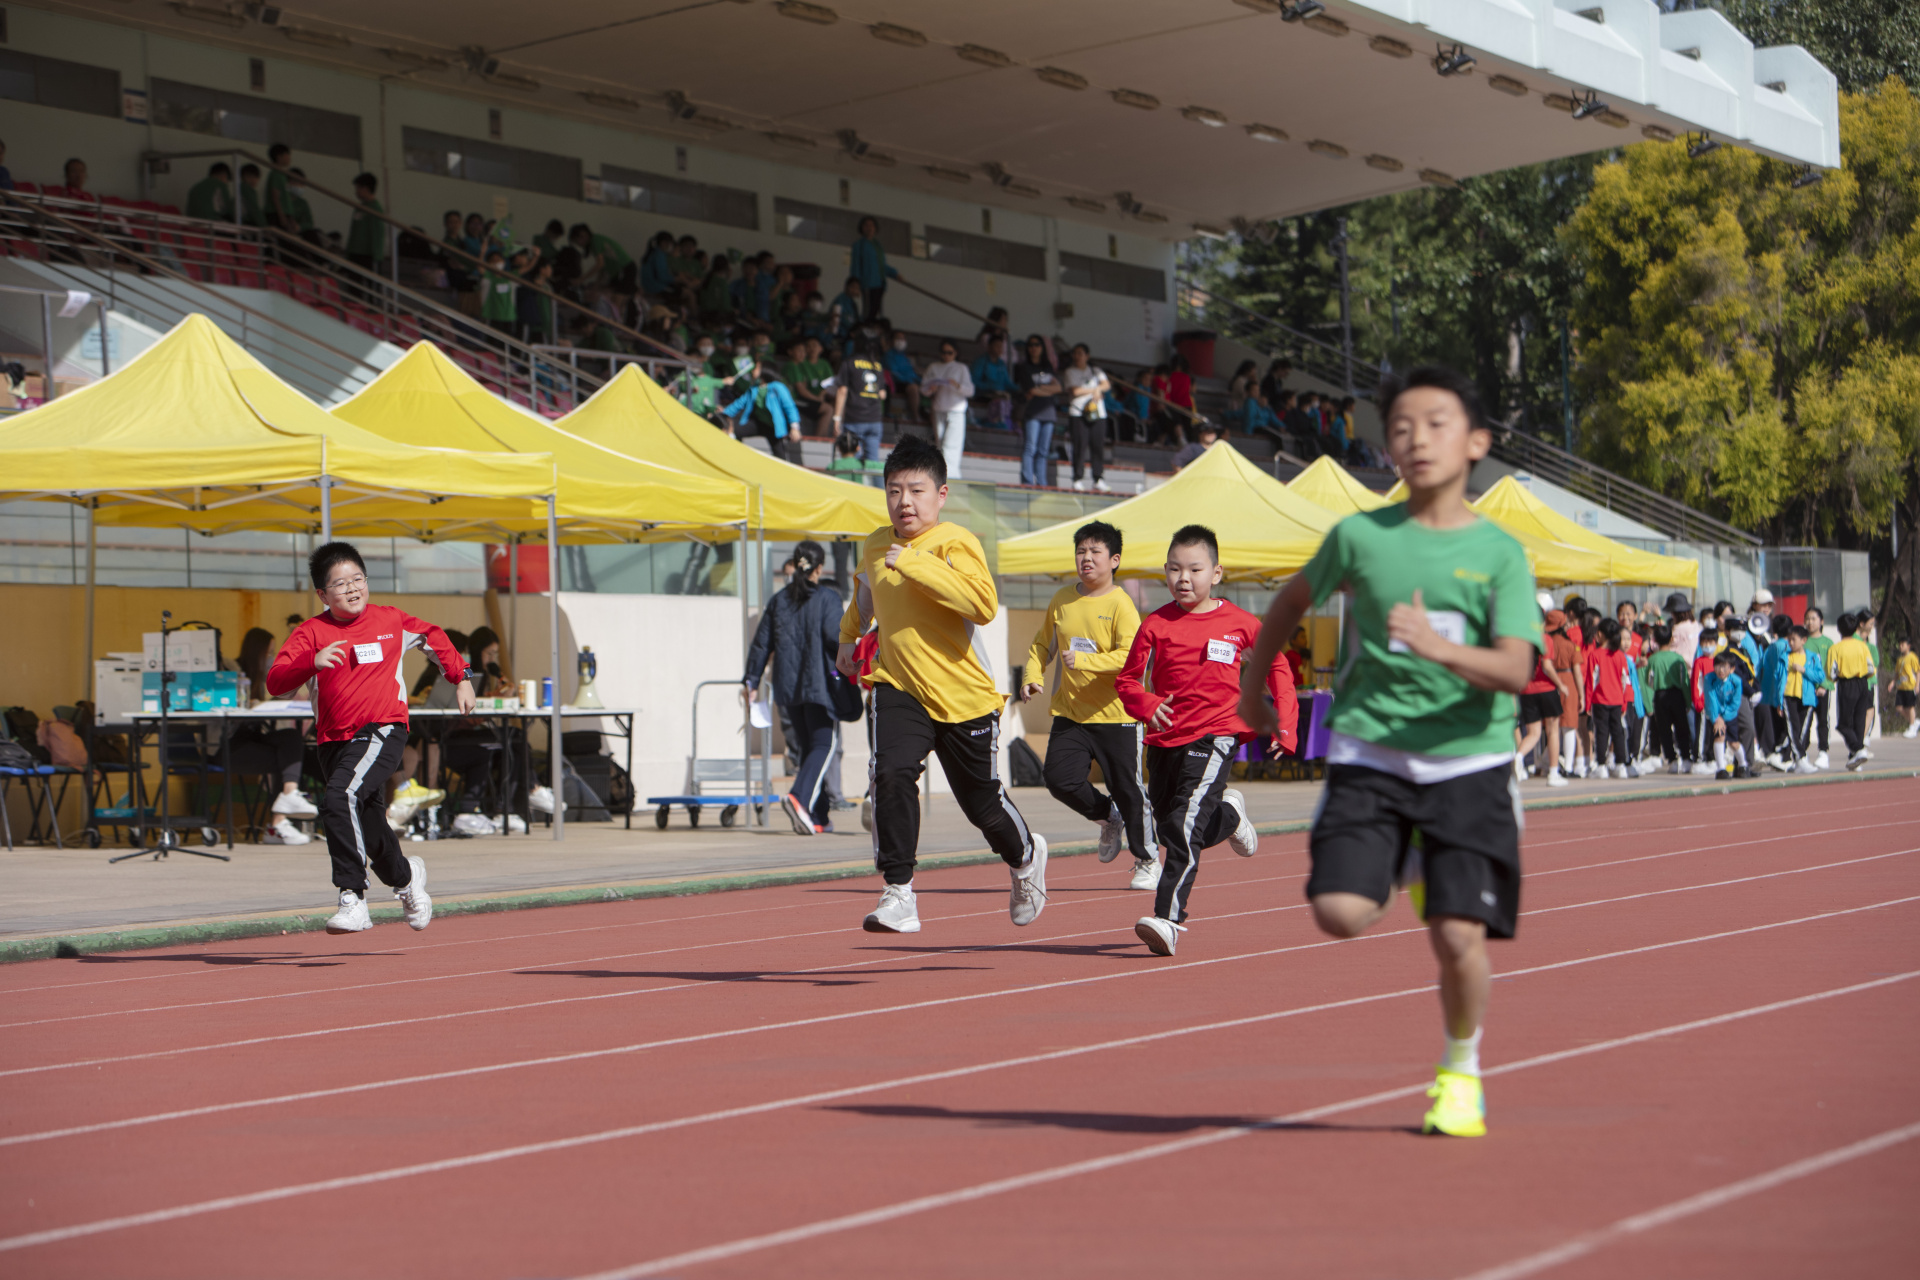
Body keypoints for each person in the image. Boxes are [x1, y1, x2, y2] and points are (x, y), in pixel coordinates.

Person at [1237, 364, 1542, 1139]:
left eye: (1436, 424)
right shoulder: (1359, 537)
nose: (1416, 439)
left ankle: (1460, 1069)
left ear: (1476, 442)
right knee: (1339, 913)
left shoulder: (1500, 554)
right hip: (1371, 756)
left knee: (1459, 939)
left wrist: (1438, 647)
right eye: (1401, 427)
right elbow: (1291, 601)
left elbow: (1515, 668)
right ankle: (1407, 860)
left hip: (1467, 764)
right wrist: (1252, 685)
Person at [835, 435, 1047, 934]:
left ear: (941, 494)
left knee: (982, 805)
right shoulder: (875, 544)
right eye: (894, 491)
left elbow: (982, 604)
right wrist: (848, 636)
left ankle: (1025, 858)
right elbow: (865, 597)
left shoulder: (956, 542)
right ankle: (899, 892)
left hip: (963, 697)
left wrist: (914, 563)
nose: (904, 502)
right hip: (898, 684)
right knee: (890, 773)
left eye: (916, 490)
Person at [265, 542, 470, 934]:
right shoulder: (311, 633)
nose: (352, 589)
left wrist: (461, 677)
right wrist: (312, 662)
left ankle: (352, 896)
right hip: (333, 741)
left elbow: (432, 636)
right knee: (368, 823)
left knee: (339, 797)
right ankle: (407, 878)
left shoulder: (390, 619)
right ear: (323, 594)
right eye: (340, 584)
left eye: (358, 579)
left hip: (383, 728)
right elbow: (276, 683)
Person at [1117, 525, 1294, 955]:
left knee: (1183, 823)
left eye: (1194, 569)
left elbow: (1278, 667)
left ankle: (1168, 918)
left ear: (1216, 573)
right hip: (1164, 740)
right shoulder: (1155, 624)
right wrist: (1147, 705)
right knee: (1169, 826)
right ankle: (1229, 818)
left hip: (1216, 734)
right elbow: (1127, 681)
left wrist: (1285, 724)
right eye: (1175, 569)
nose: (1184, 578)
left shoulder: (1241, 624)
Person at [1021, 522, 1156, 889]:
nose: (1086, 558)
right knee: (1059, 780)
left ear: (1114, 560)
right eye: (1081, 551)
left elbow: (1133, 656)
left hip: (1117, 715)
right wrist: (1032, 674)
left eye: (1095, 552)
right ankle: (1108, 816)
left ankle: (1147, 859)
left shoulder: (1121, 604)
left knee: (1128, 789)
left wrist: (1085, 661)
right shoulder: (1062, 599)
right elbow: (1041, 645)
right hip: (1071, 713)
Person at [745, 541, 848, 835]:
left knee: (807, 749)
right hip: (819, 686)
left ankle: (819, 816)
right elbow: (836, 637)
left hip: (787, 688)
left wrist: (751, 680)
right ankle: (799, 798)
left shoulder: (779, 600)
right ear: (819, 568)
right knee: (824, 745)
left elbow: (761, 643)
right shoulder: (827, 598)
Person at [230, 626, 317, 842]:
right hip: (231, 743)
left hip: (253, 737)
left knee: (291, 738)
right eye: (268, 652)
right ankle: (277, 825)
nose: (271, 657)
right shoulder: (234, 671)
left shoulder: (261, 677)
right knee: (286, 759)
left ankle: (287, 799)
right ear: (256, 651)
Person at [1514, 620, 1567, 786]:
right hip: (1547, 689)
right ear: (1542, 622)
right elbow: (1547, 666)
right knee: (1553, 731)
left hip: (1527, 690)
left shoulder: (1523, 638)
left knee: (1533, 733)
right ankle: (1553, 773)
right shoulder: (1545, 639)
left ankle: (1518, 757)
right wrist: (1561, 685)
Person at [830, 330, 888, 463]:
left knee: (852, 462)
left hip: (854, 419)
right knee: (873, 462)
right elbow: (882, 394)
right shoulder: (877, 366)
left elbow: (842, 391)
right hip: (874, 419)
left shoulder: (849, 363)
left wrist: (837, 418)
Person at [920, 339, 974, 481]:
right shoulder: (933, 367)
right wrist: (931, 389)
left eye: (950, 353)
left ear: (956, 353)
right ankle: (942, 476)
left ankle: (952, 477)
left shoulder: (961, 368)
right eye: (944, 352)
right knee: (940, 445)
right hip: (939, 409)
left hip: (956, 410)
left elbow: (970, 390)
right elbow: (924, 389)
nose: (946, 355)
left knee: (951, 446)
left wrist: (957, 385)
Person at [1061, 343, 1112, 492]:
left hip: (1097, 413)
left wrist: (1098, 389)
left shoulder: (1095, 370)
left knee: (1097, 446)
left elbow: (1106, 384)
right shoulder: (1070, 372)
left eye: (1080, 353)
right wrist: (1095, 390)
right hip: (1078, 413)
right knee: (1079, 446)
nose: (1077, 356)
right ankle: (1077, 478)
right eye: (1075, 353)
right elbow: (1075, 391)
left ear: (1087, 356)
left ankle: (1098, 478)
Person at [1013, 334, 1061, 487]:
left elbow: (1058, 388)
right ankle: (1027, 481)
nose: (1034, 348)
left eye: (1037, 345)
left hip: (1048, 412)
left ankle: (1041, 482)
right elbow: (1031, 390)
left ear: (1042, 348)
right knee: (1030, 447)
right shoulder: (1024, 367)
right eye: (1031, 345)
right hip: (1032, 412)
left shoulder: (1048, 367)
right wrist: (1048, 390)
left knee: (1043, 450)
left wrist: (1041, 389)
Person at [1645, 623, 1694, 773]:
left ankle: (1671, 760)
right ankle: (1686, 758)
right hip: (1677, 695)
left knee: (1664, 730)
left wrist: (1649, 702)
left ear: (1655, 640)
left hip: (1660, 696)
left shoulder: (1653, 659)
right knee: (1682, 728)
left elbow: (1649, 681)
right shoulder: (1678, 658)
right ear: (1672, 639)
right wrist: (1688, 701)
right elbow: (1684, 681)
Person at [1830, 613, 1875, 769]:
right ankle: (1854, 758)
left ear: (1839, 629)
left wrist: (1837, 678)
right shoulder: (1862, 646)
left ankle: (1858, 750)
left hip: (1846, 684)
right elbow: (1871, 668)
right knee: (1859, 721)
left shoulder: (1835, 648)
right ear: (1856, 628)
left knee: (1843, 724)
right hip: (1863, 683)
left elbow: (1831, 672)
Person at [1781, 626, 1825, 772]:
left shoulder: (1812, 657)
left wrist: (1804, 670)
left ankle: (1798, 759)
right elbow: (1778, 678)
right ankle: (1800, 758)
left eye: (1794, 640)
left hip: (1807, 698)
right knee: (1792, 728)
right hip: (1789, 696)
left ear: (1803, 640)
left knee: (1803, 730)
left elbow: (1820, 676)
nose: (1791, 643)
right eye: (1789, 640)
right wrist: (1778, 700)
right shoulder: (1784, 657)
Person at [1704, 649, 1752, 778]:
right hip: (1715, 716)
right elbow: (1710, 700)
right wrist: (1716, 718)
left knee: (1733, 743)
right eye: (1717, 666)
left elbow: (1735, 703)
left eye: (1724, 667)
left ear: (1732, 669)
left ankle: (1743, 765)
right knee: (1719, 736)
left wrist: (1724, 717)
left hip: (1730, 716)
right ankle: (1721, 769)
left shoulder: (1736, 681)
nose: (1720, 670)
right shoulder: (1709, 679)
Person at [1802, 606, 1835, 767]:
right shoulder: (1802, 641)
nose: (1810, 622)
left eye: (1813, 619)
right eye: (1807, 619)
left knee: (1822, 720)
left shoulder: (1828, 643)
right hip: (1805, 689)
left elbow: (1831, 668)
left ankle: (1823, 752)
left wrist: (1825, 686)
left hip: (1822, 689)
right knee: (1805, 722)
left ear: (1821, 621)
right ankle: (1802, 752)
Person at [850, 216, 899, 319]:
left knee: (877, 312)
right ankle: (865, 327)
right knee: (868, 312)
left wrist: (895, 274)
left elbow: (882, 266)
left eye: (871, 225)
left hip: (880, 283)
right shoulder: (859, 245)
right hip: (868, 284)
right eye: (866, 225)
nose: (869, 228)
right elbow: (855, 266)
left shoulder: (878, 245)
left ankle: (874, 328)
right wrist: (855, 285)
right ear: (862, 228)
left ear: (875, 228)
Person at [970, 335, 1015, 429]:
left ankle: (1005, 423)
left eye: (1001, 347)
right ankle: (995, 423)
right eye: (997, 346)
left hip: (1000, 394)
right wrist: (990, 387)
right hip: (983, 395)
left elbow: (1007, 383)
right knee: (1001, 399)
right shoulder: (981, 362)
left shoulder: (1001, 364)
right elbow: (974, 381)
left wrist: (1021, 388)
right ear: (990, 347)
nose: (999, 349)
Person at [345, 173, 387, 275]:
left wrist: (377, 256)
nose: (356, 192)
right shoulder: (360, 208)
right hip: (355, 253)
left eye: (358, 188)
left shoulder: (375, 209)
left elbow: (378, 234)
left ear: (366, 188)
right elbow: (353, 231)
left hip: (368, 255)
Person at [882, 330, 921, 422]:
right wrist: (910, 380)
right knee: (913, 388)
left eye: (903, 339)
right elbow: (893, 373)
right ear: (892, 341)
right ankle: (915, 416)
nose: (901, 341)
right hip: (895, 383)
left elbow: (911, 372)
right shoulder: (888, 355)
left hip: (908, 381)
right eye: (898, 338)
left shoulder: (904, 357)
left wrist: (921, 381)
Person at [264, 143, 295, 231]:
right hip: (276, 214)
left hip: (284, 213)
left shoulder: (282, 175)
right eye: (287, 155)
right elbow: (275, 196)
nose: (289, 158)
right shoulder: (276, 174)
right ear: (279, 157)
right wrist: (281, 216)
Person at [1895, 637, 1918, 738]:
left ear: (1908, 646)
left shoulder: (1912, 657)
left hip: (1910, 686)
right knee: (1899, 707)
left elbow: (1918, 672)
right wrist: (1893, 682)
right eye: (1899, 645)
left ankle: (1912, 727)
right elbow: (1897, 673)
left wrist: (1917, 685)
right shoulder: (1900, 659)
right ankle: (1914, 722)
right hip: (1901, 686)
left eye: (1902, 645)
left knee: (1910, 707)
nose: (1900, 647)